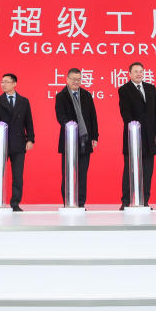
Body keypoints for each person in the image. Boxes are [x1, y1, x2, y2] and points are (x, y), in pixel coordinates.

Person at [117, 62, 156, 208]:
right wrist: (133, 129)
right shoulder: (124, 90)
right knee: (130, 170)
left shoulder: (150, 88)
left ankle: (144, 201)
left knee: (148, 171)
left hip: (150, 137)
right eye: (135, 71)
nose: (139, 74)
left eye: (141, 71)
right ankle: (126, 202)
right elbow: (125, 112)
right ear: (129, 74)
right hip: (133, 136)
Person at [0, 73, 35, 211]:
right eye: (2, 82)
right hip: (1, 142)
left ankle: (15, 203)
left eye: (6, 82)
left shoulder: (24, 101)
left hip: (18, 142)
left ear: (14, 84)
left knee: (18, 175)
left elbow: (29, 122)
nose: (3, 84)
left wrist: (30, 139)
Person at [54, 68, 99, 207]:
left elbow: (93, 117)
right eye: (73, 79)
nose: (76, 82)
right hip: (69, 140)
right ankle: (68, 202)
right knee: (68, 174)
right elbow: (60, 116)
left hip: (85, 140)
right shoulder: (61, 96)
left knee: (82, 175)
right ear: (67, 79)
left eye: (78, 79)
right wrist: (70, 126)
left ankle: (80, 203)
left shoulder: (86, 95)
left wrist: (94, 136)